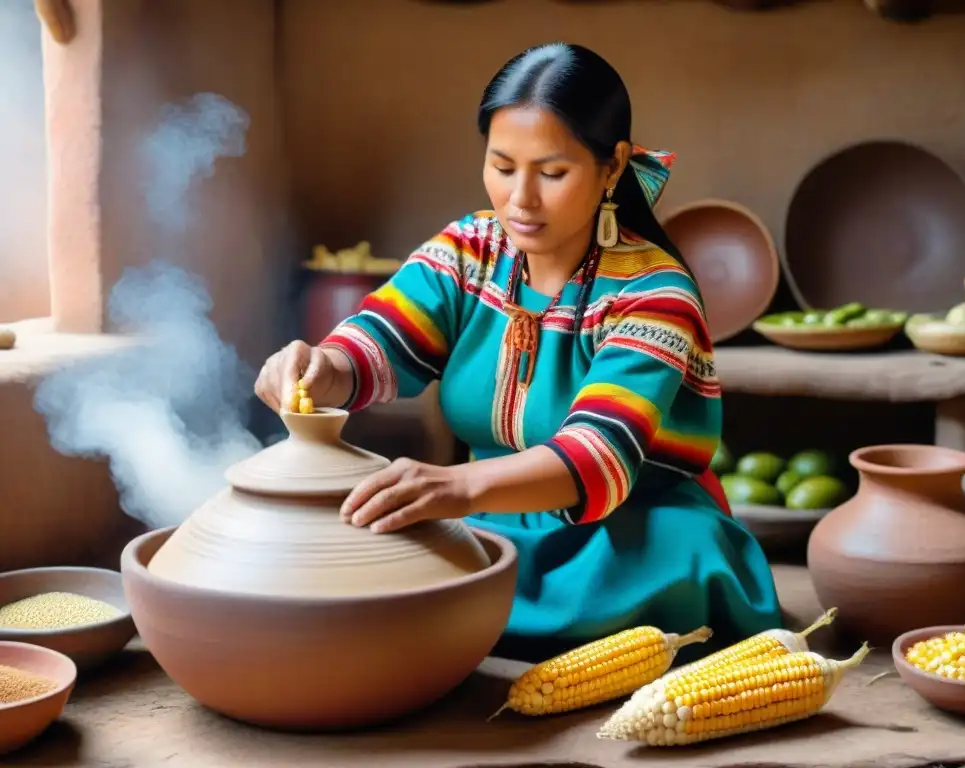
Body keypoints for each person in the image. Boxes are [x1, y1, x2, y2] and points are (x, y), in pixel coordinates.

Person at [255, 42, 783, 662]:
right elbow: (379, 343)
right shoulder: (468, 252)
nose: (520, 200)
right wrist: (324, 369)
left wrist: (457, 487)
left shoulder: (655, 293)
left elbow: (596, 459)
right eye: (502, 167)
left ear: (612, 167)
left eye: (551, 173)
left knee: (667, 555)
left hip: (624, 538)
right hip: (482, 525)